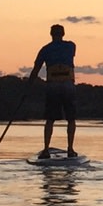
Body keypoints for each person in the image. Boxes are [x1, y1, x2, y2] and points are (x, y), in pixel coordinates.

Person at [32, 23, 78, 158]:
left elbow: (36, 69)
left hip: (53, 86)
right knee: (71, 118)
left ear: (51, 34)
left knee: (50, 119)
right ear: (63, 34)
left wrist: (29, 84)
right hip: (68, 85)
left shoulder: (45, 49)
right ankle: (70, 149)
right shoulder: (71, 46)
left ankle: (46, 150)